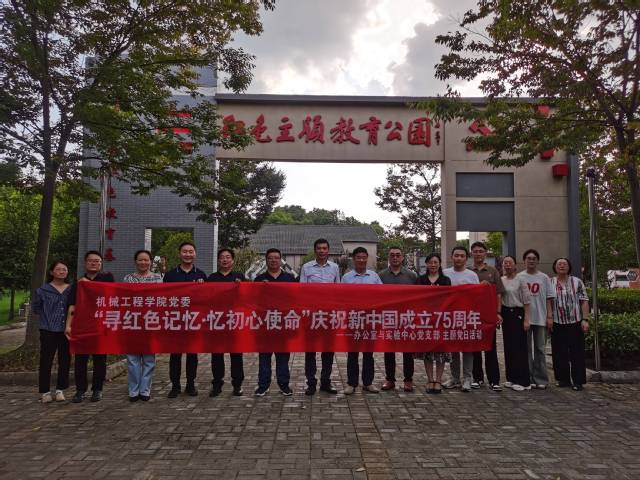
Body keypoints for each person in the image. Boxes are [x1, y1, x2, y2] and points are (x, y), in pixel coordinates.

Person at [65, 251, 115, 403]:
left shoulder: (107, 278)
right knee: (80, 359)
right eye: (91, 261)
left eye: (97, 261)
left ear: (101, 264)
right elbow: (72, 305)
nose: (94, 263)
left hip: (101, 325)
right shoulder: (78, 283)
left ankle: (97, 389)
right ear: (85, 263)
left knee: (100, 359)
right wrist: (68, 325)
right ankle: (80, 390)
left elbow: (113, 297)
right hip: (82, 326)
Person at [164, 242, 207, 398]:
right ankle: (175, 386)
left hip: (193, 321)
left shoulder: (201, 275)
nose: (187, 254)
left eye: (190, 251)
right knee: (175, 355)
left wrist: (202, 287)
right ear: (179, 254)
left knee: (192, 355)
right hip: (176, 321)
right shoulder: (170, 275)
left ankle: (190, 384)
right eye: (184, 251)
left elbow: (206, 298)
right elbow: (164, 298)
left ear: (195, 254)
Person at [253, 248, 296, 397]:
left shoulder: (290, 278)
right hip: (265, 324)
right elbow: (253, 301)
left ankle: (284, 385)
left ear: (281, 260)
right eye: (270, 258)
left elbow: (295, 299)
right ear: (266, 260)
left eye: (276, 258)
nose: (273, 260)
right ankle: (263, 385)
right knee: (264, 357)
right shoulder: (259, 279)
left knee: (283, 357)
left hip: (283, 324)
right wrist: (261, 288)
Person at [301, 238, 340, 396]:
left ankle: (325, 381)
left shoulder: (335, 267)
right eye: (319, 248)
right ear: (315, 250)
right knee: (310, 351)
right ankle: (311, 383)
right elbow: (302, 290)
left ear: (328, 250)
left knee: (328, 350)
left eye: (324, 248)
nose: (322, 251)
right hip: (312, 315)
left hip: (329, 315)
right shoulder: (306, 267)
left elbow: (338, 290)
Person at [341, 247, 382, 395]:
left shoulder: (374, 276)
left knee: (368, 353)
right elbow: (341, 298)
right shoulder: (346, 278)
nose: (361, 260)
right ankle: (351, 383)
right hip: (353, 319)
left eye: (364, 257)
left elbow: (383, 295)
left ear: (367, 258)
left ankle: (368, 383)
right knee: (352, 353)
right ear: (353, 259)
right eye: (358, 257)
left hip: (370, 319)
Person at [123, 250, 163, 402]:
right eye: (140, 260)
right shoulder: (128, 278)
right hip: (132, 321)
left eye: (146, 260)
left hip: (150, 322)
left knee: (148, 359)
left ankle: (145, 389)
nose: (143, 263)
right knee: (132, 359)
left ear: (151, 262)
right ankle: (133, 390)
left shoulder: (157, 278)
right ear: (135, 261)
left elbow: (162, 299)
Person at [377, 247, 418, 392]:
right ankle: (390, 379)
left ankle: (408, 380)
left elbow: (418, 296)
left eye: (398, 255)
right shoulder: (381, 276)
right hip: (388, 318)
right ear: (388, 258)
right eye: (392, 255)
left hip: (407, 318)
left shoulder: (412, 276)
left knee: (408, 351)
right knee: (389, 350)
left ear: (402, 258)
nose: (395, 258)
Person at [208, 248, 246, 397]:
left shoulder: (239, 277)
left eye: (228, 257)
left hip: (234, 321)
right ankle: (217, 384)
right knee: (217, 355)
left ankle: (237, 385)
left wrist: (241, 286)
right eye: (222, 257)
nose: (225, 259)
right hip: (217, 321)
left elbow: (246, 297)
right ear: (218, 260)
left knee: (236, 354)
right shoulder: (212, 278)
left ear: (232, 260)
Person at [442, 245, 479, 392]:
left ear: (466, 258)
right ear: (452, 257)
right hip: (450, 317)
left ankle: (468, 378)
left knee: (467, 349)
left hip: (467, 317)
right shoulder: (445, 273)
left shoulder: (472, 276)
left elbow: (477, 297)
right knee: (453, 349)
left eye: (462, 256)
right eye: (456, 255)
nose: (459, 258)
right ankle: (455, 378)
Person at [517, 249, 555, 389]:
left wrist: (549, 316)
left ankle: (541, 379)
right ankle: (528, 377)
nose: (531, 260)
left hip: (540, 318)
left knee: (540, 349)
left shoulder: (544, 277)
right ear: (524, 261)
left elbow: (549, 298)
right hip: (525, 319)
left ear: (537, 261)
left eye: (534, 258)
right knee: (526, 349)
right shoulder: (519, 277)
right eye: (528, 258)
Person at [34, 261, 71, 403]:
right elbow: (36, 308)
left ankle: (60, 390)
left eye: (64, 269)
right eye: (58, 269)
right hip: (48, 329)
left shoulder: (71, 289)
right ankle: (45, 392)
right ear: (51, 272)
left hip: (66, 330)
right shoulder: (42, 290)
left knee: (65, 360)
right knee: (46, 360)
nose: (62, 271)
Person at [550, 257, 590, 391]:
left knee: (576, 352)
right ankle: (563, 379)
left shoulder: (577, 282)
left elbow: (584, 300)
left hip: (575, 322)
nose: (562, 266)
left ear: (569, 267)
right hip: (557, 322)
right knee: (559, 352)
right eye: (559, 264)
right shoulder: (550, 282)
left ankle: (578, 381)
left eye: (564, 264)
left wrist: (585, 319)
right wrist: (549, 318)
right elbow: (548, 301)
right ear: (555, 267)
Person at [470, 241, 505, 391]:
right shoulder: (468, 272)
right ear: (471, 253)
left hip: (489, 315)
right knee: (475, 348)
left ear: (485, 253)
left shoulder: (493, 271)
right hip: (472, 315)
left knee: (491, 348)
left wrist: (498, 313)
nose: (478, 254)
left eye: (481, 251)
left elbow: (498, 294)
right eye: (475, 251)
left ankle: (494, 380)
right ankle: (477, 378)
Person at [416, 253, 451, 394]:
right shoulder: (420, 280)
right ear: (426, 264)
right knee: (428, 352)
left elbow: (449, 298)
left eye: (436, 262)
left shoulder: (445, 280)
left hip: (441, 320)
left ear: (440, 264)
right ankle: (430, 380)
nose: (433, 265)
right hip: (425, 320)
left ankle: (438, 380)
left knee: (441, 352)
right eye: (430, 262)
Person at [500, 255, 532, 391]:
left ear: (515, 265)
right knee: (508, 346)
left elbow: (527, 301)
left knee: (519, 347)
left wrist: (526, 319)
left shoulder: (521, 280)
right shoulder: (501, 280)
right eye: (505, 263)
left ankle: (523, 381)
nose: (507, 265)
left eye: (510, 262)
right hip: (506, 314)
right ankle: (511, 378)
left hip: (518, 313)